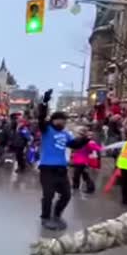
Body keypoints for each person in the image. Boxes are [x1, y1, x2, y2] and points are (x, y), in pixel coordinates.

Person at [37, 89, 89, 231]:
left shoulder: (66, 134)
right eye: (61, 119)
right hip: (47, 168)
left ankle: (57, 214)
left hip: (61, 169)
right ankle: (45, 218)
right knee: (48, 195)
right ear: (54, 120)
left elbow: (74, 145)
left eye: (65, 120)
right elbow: (41, 117)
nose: (63, 122)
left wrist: (85, 139)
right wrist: (44, 102)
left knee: (66, 195)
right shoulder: (47, 130)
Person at [71, 127, 103, 194]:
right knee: (79, 175)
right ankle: (76, 186)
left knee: (83, 175)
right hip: (78, 161)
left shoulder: (89, 142)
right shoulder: (78, 140)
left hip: (83, 162)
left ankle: (90, 188)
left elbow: (97, 148)